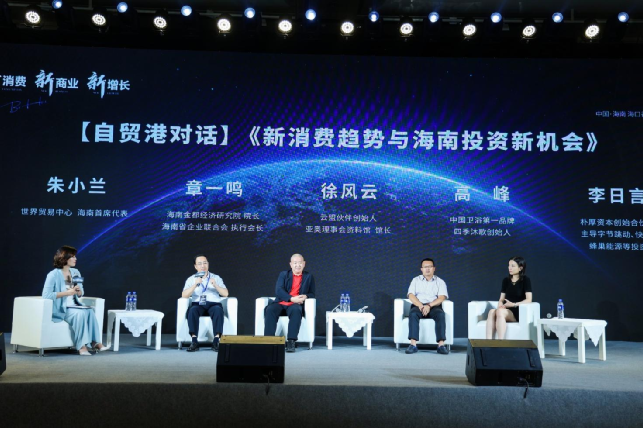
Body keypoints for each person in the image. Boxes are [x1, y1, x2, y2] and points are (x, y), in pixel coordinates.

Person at [41, 245, 108, 356]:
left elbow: (81, 292)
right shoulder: (53, 275)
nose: (75, 259)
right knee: (80, 314)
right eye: (72, 256)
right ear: (64, 258)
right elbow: (46, 295)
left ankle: (96, 342)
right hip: (62, 308)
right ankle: (82, 347)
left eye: (75, 256)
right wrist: (67, 293)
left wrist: (78, 291)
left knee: (90, 311)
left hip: (75, 305)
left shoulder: (76, 272)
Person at [264, 254, 315, 353]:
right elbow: (279, 290)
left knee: (296, 310)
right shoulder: (284, 274)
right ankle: (268, 341)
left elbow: (312, 293)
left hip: (295, 305)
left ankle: (291, 342)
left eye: (300, 263)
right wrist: (291, 298)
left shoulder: (309, 276)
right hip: (281, 302)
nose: (298, 265)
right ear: (291, 264)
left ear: (304, 264)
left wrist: (306, 296)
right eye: (295, 263)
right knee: (270, 309)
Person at [182, 254, 229, 352]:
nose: (203, 266)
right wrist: (195, 284)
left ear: (208, 264)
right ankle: (194, 341)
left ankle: (216, 341)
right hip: (198, 304)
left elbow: (225, 294)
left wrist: (215, 285)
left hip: (214, 304)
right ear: (195, 266)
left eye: (205, 263)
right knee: (192, 310)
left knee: (218, 310)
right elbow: (184, 295)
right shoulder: (191, 279)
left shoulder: (216, 277)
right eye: (200, 264)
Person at [405, 258, 449, 355]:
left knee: (440, 315)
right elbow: (411, 295)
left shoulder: (440, 282)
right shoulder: (415, 280)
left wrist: (429, 305)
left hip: (434, 306)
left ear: (434, 268)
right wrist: (421, 305)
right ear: (421, 269)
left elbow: (442, 297)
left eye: (430, 267)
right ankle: (413, 345)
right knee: (413, 314)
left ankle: (441, 345)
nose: (427, 269)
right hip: (419, 305)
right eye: (425, 267)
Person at [486, 256, 533, 339]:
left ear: (520, 268)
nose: (509, 268)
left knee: (500, 312)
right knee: (491, 312)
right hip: (505, 309)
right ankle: (487, 342)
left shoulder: (525, 280)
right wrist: (500, 305)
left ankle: (500, 342)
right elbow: (501, 299)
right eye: (509, 265)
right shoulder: (505, 280)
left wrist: (514, 304)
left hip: (517, 310)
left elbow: (529, 299)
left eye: (513, 266)